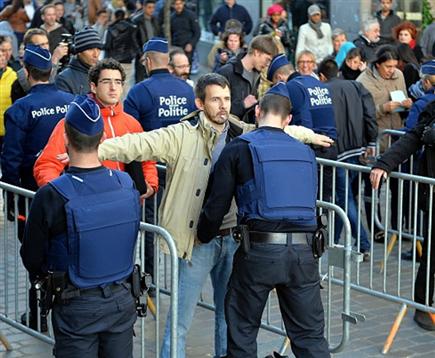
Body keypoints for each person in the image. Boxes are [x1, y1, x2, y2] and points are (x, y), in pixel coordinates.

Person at [98, 73, 334, 358]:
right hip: (196, 241)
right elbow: (138, 143)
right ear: (200, 102)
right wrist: (94, 151)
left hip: (235, 240)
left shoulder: (240, 132)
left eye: (226, 99)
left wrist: (309, 135)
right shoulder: (180, 134)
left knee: (230, 316)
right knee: (180, 319)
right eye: (215, 100)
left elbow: (276, 129)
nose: (223, 106)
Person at [196, 82, 331, 357]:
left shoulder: (239, 148)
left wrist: (203, 235)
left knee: (243, 332)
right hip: (305, 254)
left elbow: (216, 204)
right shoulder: (305, 152)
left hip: (259, 252)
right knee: (310, 338)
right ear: (288, 119)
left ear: (257, 112)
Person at [20, 95, 141, 356]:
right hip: (121, 298)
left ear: (65, 139)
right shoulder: (125, 184)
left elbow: (31, 256)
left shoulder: (52, 194)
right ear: (101, 140)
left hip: (77, 305)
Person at [1, 45, 74, 330]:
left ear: (27, 74)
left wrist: (11, 199)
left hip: (33, 197)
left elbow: (11, 159)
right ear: (50, 71)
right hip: (69, 190)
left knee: (35, 256)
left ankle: (37, 313)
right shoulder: (71, 101)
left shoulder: (20, 108)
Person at [370, 101, 435, 332]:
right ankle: (422, 305)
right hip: (433, 193)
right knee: (431, 254)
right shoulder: (433, 107)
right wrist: (384, 163)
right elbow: (412, 138)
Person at [318, 58, 377, 258]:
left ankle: (363, 242)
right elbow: (370, 114)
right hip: (356, 150)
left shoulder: (324, 90)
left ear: (322, 76)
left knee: (344, 200)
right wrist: (371, 142)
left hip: (338, 153)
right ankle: (335, 240)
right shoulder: (355, 85)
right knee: (343, 198)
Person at [357, 45, 412, 240]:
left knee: (399, 187)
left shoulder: (399, 75)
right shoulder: (363, 80)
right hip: (375, 139)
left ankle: (399, 228)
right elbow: (361, 111)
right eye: (388, 66)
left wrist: (406, 104)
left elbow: (404, 97)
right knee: (374, 185)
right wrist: (383, 108)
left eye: (394, 66)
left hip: (396, 138)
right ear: (378, 64)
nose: (391, 70)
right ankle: (376, 228)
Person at [124, 37, 196, 131]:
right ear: (168, 60)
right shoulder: (188, 89)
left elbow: (129, 130)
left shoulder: (138, 91)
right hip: (184, 144)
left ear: (148, 62)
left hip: (150, 145)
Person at [218, 34, 278, 123]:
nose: (268, 64)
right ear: (256, 52)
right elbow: (215, 107)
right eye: (267, 59)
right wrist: (243, 105)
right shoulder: (227, 72)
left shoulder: (257, 74)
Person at [10, 28, 68, 102]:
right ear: (30, 48)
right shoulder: (22, 76)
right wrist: (55, 59)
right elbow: (44, 89)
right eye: (41, 45)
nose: (46, 48)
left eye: (47, 43)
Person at [55, 26, 102, 95]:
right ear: (79, 52)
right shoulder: (64, 79)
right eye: (90, 49)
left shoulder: (104, 73)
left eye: (98, 49)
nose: (96, 54)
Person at [104, 8, 139, 94]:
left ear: (115, 17)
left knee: (115, 84)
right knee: (126, 83)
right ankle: (125, 104)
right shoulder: (131, 28)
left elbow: (108, 45)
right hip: (128, 60)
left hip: (114, 60)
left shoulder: (111, 29)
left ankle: (117, 105)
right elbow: (135, 43)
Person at [131, 0, 159, 83]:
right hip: (142, 53)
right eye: (149, 7)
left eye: (153, 7)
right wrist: (140, 54)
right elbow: (134, 39)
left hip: (154, 53)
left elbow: (158, 35)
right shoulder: (137, 20)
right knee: (139, 78)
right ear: (144, 7)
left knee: (153, 76)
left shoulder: (155, 19)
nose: (152, 10)